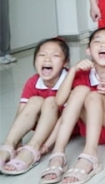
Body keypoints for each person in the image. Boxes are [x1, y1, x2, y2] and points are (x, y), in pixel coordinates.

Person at [39, 27, 105, 184]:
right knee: (80, 90)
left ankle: (90, 155)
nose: (103, 45)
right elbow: (59, 102)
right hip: (91, 130)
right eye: (98, 41)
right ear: (88, 50)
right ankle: (58, 154)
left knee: (93, 96)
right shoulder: (81, 74)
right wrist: (73, 71)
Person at [1, 38, 79, 175]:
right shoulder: (33, 81)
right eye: (42, 55)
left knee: (50, 101)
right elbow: (22, 112)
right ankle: (7, 147)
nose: (47, 59)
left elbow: (66, 118)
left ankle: (33, 148)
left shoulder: (71, 80)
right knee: (35, 101)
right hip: (42, 125)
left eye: (55, 55)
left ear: (65, 62)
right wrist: (16, 141)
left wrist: (46, 145)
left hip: (64, 128)